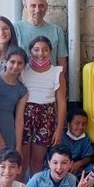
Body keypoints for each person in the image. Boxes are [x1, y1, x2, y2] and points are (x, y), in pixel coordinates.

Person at [20, 36, 67, 178]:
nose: (40, 53)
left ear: (50, 52)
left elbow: (62, 102)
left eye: (45, 50)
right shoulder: (23, 71)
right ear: (30, 51)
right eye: (36, 49)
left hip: (46, 119)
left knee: (37, 161)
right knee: (22, 161)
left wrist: (59, 129)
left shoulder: (57, 73)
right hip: (25, 117)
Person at [0, 46, 28, 180]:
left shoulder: (22, 90)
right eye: (12, 62)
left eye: (20, 63)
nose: (15, 66)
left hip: (8, 130)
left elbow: (19, 119)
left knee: (7, 173)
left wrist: (18, 146)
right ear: (5, 62)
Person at [14, 0, 68, 73]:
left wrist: (59, 81)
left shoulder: (56, 31)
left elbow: (62, 63)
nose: (37, 10)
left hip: (48, 82)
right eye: (33, 6)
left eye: (41, 6)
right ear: (25, 7)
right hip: (22, 82)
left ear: (46, 8)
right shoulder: (15, 28)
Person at [59, 107, 94, 178]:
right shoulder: (61, 136)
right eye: (77, 123)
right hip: (60, 165)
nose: (81, 127)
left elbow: (88, 157)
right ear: (69, 123)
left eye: (84, 124)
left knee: (93, 168)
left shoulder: (84, 138)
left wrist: (78, 163)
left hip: (77, 168)